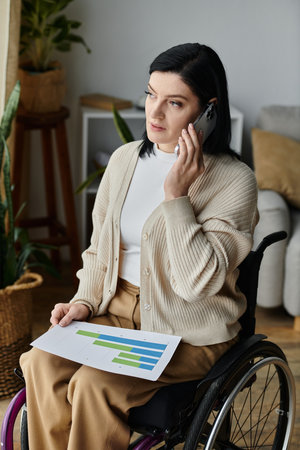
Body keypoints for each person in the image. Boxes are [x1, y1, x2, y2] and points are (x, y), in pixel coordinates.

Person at [20, 43, 258, 450]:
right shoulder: (125, 159)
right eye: (151, 94)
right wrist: (84, 303)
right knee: (41, 362)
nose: (154, 112)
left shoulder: (235, 182)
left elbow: (196, 284)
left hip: (190, 330)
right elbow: (100, 250)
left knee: (93, 385)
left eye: (175, 102)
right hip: (118, 314)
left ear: (209, 111)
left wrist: (177, 197)